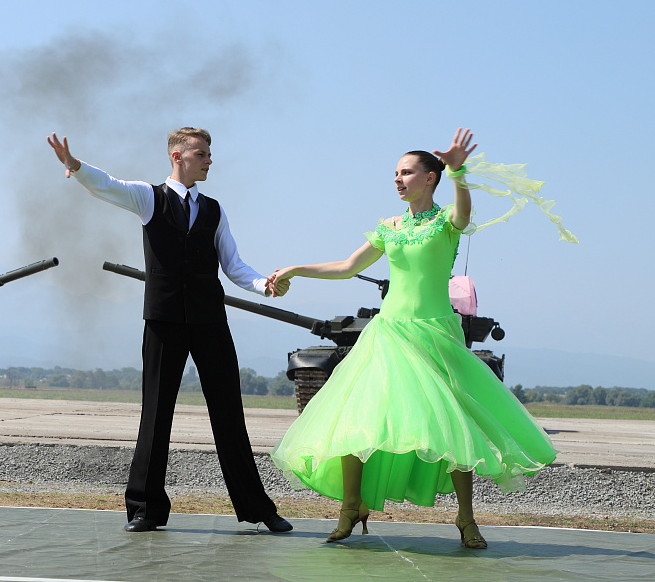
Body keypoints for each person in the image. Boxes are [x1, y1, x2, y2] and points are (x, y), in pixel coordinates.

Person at [268, 128, 568, 548]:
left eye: (406, 172)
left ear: (430, 178)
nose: (398, 179)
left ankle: (466, 518)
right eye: (395, 173)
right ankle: (351, 506)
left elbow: (464, 213)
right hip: (388, 334)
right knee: (358, 419)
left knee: (454, 426)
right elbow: (347, 267)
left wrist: (458, 172)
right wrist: (295, 269)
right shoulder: (388, 227)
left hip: (434, 336)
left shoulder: (447, 222)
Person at [47, 127, 293, 534]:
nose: (209, 160)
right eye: (201, 153)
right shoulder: (149, 197)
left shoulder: (214, 209)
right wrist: (75, 165)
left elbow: (233, 265)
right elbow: (108, 185)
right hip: (163, 321)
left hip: (210, 320)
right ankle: (145, 509)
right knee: (156, 414)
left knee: (229, 414)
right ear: (177, 156)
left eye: (209, 153)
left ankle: (258, 508)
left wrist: (263, 284)